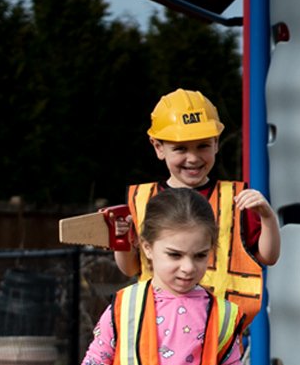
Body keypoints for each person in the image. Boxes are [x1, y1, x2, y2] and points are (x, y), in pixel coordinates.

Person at [77, 187, 248, 365]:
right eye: (175, 255)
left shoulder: (221, 314)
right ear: (146, 247)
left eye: (200, 255)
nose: (188, 268)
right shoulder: (126, 307)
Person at [113, 88, 280, 319]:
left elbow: (268, 256)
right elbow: (131, 268)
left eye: (202, 145)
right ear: (158, 147)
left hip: (220, 333)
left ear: (216, 143)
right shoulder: (141, 200)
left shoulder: (235, 200)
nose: (193, 158)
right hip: (160, 331)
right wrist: (120, 241)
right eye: (180, 148)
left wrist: (268, 217)